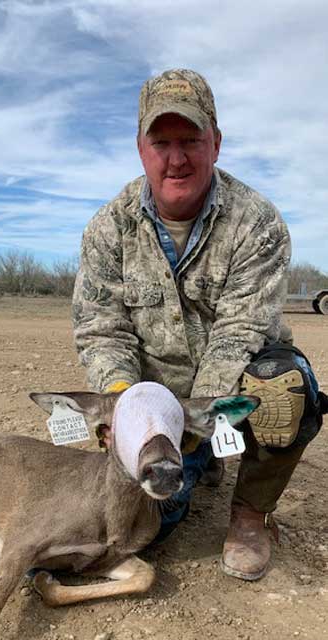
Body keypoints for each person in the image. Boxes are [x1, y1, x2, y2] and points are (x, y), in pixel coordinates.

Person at [72, 69, 327, 581]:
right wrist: (128, 406)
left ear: (216, 142)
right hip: (154, 400)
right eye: (160, 142)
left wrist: (196, 425)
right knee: (147, 530)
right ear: (140, 148)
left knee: (285, 391)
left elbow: (237, 333)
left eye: (190, 139)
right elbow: (102, 328)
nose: (176, 157)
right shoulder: (109, 226)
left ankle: (250, 516)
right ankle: (200, 464)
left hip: (228, 386)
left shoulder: (257, 222)